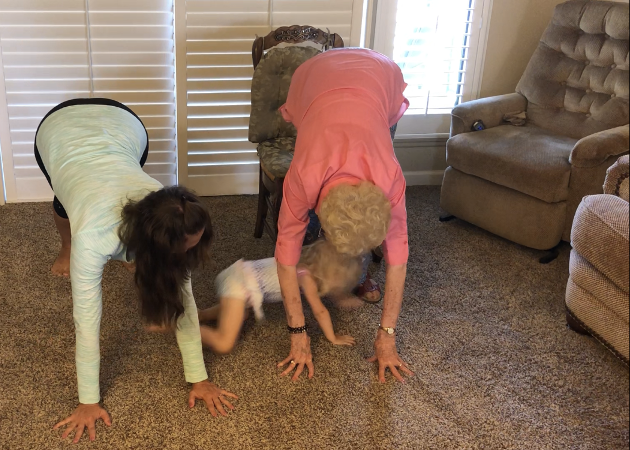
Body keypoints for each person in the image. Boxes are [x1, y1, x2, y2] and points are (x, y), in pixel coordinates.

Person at [33, 99, 237, 444]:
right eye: (187, 249)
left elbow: (183, 304)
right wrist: (88, 402)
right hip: (58, 131)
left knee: (156, 266)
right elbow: (87, 322)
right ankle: (64, 246)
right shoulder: (93, 238)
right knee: (64, 204)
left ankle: (138, 256)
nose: (192, 255)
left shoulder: (168, 206)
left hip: (123, 125)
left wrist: (198, 378)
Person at [274, 48, 416, 384]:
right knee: (313, 123)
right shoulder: (303, 177)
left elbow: (399, 256)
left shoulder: (390, 178)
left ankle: (361, 273)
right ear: (318, 214)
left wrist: (387, 335)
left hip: (380, 74)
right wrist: (297, 331)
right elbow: (285, 253)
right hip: (314, 76)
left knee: (378, 126)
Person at [199, 201, 388, 354]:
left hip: (238, 273)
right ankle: (187, 331)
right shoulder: (306, 278)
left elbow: (329, 287)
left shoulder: (303, 260)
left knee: (240, 313)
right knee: (224, 343)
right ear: (330, 275)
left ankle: (198, 315)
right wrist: (333, 337)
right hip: (239, 285)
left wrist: (342, 300)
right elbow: (319, 311)